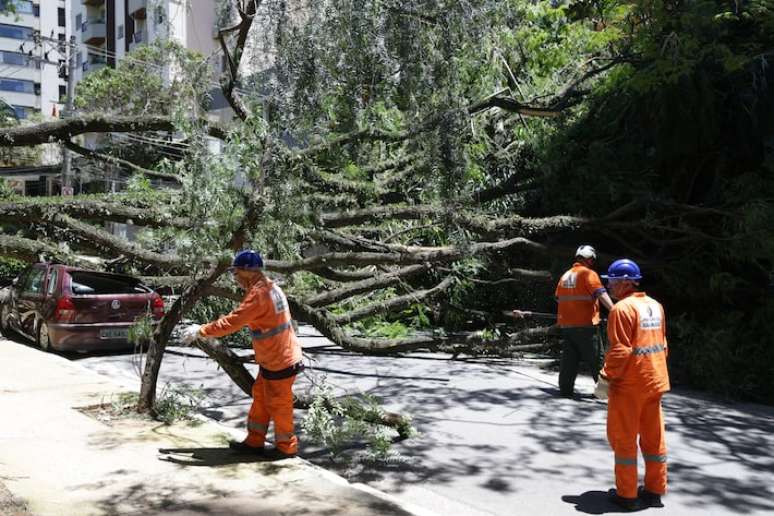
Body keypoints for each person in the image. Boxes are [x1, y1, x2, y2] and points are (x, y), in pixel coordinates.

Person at [181, 250, 303, 458]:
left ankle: (286, 448)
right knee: (261, 399)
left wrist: (201, 331)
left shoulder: (259, 294)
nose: (235, 277)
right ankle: (254, 442)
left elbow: (232, 322)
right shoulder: (269, 286)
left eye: (236, 273)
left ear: (247, 271)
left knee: (279, 405)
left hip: (280, 361)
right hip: (275, 359)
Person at [593, 259, 669, 511]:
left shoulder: (621, 309)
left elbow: (620, 351)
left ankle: (627, 496)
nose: (609, 285)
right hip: (655, 380)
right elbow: (663, 345)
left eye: (612, 281)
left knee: (624, 440)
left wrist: (605, 378)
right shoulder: (655, 306)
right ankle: (654, 491)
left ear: (626, 281)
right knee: (653, 439)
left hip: (630, 385)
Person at [553, 245, 614, 398]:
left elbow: (558, 298)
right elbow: (601, 294)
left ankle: (565, 391)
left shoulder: (565, 275)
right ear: (589, 259)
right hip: (586, 326)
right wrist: (615, 310)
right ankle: (605, 393)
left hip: (567, 325)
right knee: (597, 360)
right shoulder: (588, 274)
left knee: (569, 360)